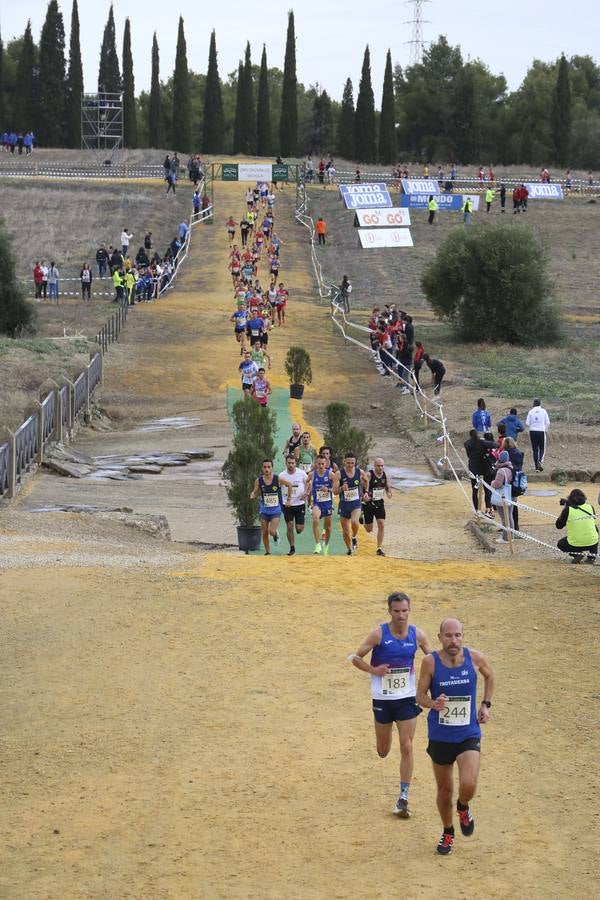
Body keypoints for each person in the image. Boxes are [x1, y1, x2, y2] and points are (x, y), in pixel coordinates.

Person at [349, 592, 432, 817]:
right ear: (389, 611)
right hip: (383, 700)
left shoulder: (418, 635)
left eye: (405, 611)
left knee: (407, 745)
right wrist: (373, 670)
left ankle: (403, 798)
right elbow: (354, 657)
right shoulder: (378, 634)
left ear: (409, 610)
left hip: (406, 698)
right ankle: (384, 742)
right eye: (396, 611)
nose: (401, 615)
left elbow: (432, 661)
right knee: (383, 750)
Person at [416, 617, 495, 855]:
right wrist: (433, 703)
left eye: (457, 635)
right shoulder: (430, 662)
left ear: (463, 636)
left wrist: (485, 705)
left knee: (468, 784)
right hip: (440, 735)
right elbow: (419, 695)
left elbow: (490, 676)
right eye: (448, 635)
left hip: (467, 733)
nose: (453, 640)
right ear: (439, 638)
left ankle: (463, 806)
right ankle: (448, 831)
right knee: (445, 790)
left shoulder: (475, 658)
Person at [249, 459, 291, 555]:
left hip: (276, 510)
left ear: (272, 468)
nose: (267, 469)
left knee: (271, 531)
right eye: (265, 467)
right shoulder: (258, 481)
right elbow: (255, 491)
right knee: (264, 532)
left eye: (269, 467)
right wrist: (253, 495)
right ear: (262, 468)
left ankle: (276, 535)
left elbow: (289, 484)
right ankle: (268, 552)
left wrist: (288, 499)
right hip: (264, 510)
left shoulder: (277, 479)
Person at [334, 451, 369, 556]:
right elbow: (334, 491)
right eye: (348, 463)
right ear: (344, 462)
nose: (350, 465)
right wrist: (341, 488)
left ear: (355, 463)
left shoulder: (360, 472)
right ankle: (349, 549)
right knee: (345, 531)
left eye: (352, 463)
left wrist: (366, 492)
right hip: (344, 504)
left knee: (354, 522)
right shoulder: (339, 474)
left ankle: (354, 537)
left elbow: (366, 481)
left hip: (356, 503)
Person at [555, 490, 598, 564]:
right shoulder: (590, 507)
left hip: (574, 545)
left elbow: (558, 526)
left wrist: (565, 508)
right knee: (595, 529)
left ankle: (577, 554)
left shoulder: (567, 510)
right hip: (592, 542)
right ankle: (592, 557)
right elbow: (591, 520)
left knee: (560, 544)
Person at [362, 458, 393, 556]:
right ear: (374, 466)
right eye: (378, 466)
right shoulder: (369, 475)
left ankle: (379, 548)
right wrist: (364, 495)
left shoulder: (386, 476)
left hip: (379, 503)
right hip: (368, 504)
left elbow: (388, 488)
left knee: (381, 524)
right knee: (369, 529)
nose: (380, 468)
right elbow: (361, 487)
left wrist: (389, 493)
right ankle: (362, 520)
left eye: (382, 466)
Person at [279, 454, 308, 556]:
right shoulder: (282, 475)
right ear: (286, 463)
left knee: (299, 529)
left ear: (296, 463)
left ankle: (298, 528)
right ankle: (292, 548)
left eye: (292, 463)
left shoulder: (302, 473)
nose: (291, 465)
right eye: (289, 463)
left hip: (300, 503)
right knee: (289, 526)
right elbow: (278, 489)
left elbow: (308, 482)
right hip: (287, 505)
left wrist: (306, 492)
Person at [306, 453, 335, 555]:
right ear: (316, 464)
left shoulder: (331, 475)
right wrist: (307, 491)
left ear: (326, 463)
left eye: (323, 464)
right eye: (319, 464)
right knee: (315, 519)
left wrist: (328, 489)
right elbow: (306, 481)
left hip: (327, 504)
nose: (321, 466)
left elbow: (336, 490)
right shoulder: (312, 474)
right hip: (317, 503)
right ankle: (318, 544)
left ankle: (326, 544)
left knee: (328, 527)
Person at [464, 430, 497, 517]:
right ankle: (488, 510)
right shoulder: (482, 442)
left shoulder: (467, 444)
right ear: (477, 435)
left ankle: (477, 511)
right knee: (487, 490)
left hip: (473, 469)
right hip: (484, 469)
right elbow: (494, 445)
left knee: (475, 491)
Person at [490, 450, 514, 543]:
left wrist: (492, 483)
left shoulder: (501, 471)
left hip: (503, 496)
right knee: (509, 516)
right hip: (511, 494)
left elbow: (498, 484)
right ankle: (510, 535)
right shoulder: (510, 467)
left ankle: (505, 538)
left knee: (504, 517)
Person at [525, 399, 550, 472]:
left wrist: (533, 425)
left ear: (533, 404)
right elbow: (548, 423)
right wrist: (546, 430)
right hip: (541, 431)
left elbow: (527, 423)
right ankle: (539, 461)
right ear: (540, 404)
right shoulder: (544, 411)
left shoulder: (531, 411)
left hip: (532, 431)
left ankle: (537, 467)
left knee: (535, 450)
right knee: (542, 448)